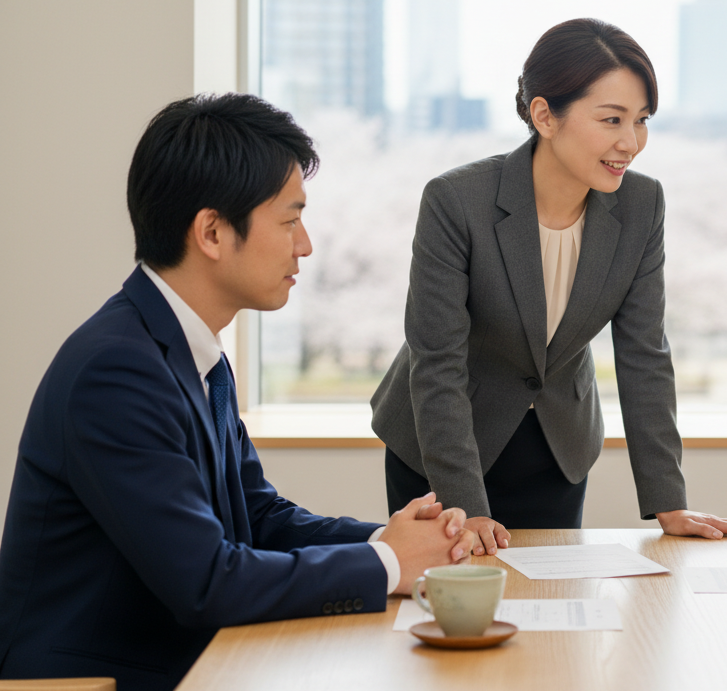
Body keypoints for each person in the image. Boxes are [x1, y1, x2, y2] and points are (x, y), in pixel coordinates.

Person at [0, 94, 475, 691]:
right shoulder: (117, 371)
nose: (304, 245)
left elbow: (256, 516)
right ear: (213, 232)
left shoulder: (188, 350)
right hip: (103, 680)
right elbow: (207, 583)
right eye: (288, 220)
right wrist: (387, 565)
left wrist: (392, 539)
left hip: (192, 660)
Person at [372, 18, 727, 549]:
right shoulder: (456, 201)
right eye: (611, 119)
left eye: (642, 120)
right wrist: (464, 504)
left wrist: (669, 502)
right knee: (451, 607)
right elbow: (437, 360)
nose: (631, 142)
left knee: (553, 612)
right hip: (440, 450)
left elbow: (645, 353)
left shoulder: (642, 205)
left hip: (557, 446)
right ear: (544, 116)